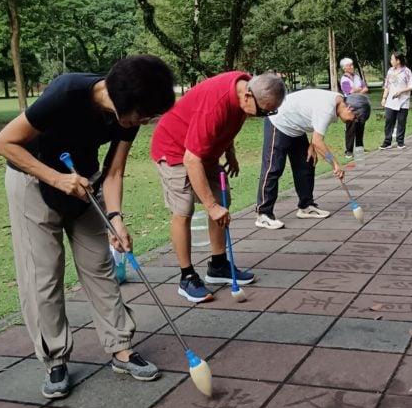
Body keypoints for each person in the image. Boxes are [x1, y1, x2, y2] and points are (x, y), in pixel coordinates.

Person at [0, 55, 176, 400]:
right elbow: (4, 143)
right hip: (32, 178)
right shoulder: (66, 92)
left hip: (85, 182)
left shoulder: (128, 116)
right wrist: (56, 179)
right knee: (44, 276)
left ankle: (120, 348)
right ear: (126, 104)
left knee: (100, 266)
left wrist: (116, 218)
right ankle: (55, 359)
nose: (148, 121)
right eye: (147, 115)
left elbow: (115, 171)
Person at [151, 71, 286, 302]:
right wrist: (210, 206)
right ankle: (187, 277)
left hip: (205, 151)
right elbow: (191, 159)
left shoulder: (247, 90)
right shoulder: (215, 105)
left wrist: (229, 152)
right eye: (264, 111)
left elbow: (228, 123)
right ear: (247, 96)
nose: (265, 116)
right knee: (184, 210)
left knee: (222, 202)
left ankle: (218, 265)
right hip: (174, 149)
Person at [255, 92, 371, 230]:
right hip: (279, 122)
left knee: (307, 162)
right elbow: (318, 141)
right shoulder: (327, 109)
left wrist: (312, 144)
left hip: (296, 128)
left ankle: (306, 206)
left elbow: (315, 129)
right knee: (273, 169)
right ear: (350, 108)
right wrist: (335, 164)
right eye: (355, 118)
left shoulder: (337, 102)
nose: (352, 121)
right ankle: (263, 214)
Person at [379, 51, 412, 150]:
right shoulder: (390, 71)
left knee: (401, 121)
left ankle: (400, 142)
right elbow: (387, 85)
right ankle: (387, 142)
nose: (391, 61)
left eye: (392, 59)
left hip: (403, 101)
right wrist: (384, 98)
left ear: (398, 61)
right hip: (390, 101)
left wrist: (401, 91)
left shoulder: (407, 71)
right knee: (389, 121)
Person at [339, 57, 369, 159]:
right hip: (350, 105)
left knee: (361, 125)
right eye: (349, 65)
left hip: (361, 104)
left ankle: (359, 147)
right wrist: (359, 90)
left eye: (352, 65)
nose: (352, 67)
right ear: (345, 68)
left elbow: (365, 88)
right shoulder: (344, 79)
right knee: (351, 127)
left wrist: (358, 90)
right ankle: (349, 150)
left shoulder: (356, 77)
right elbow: (349, 91)